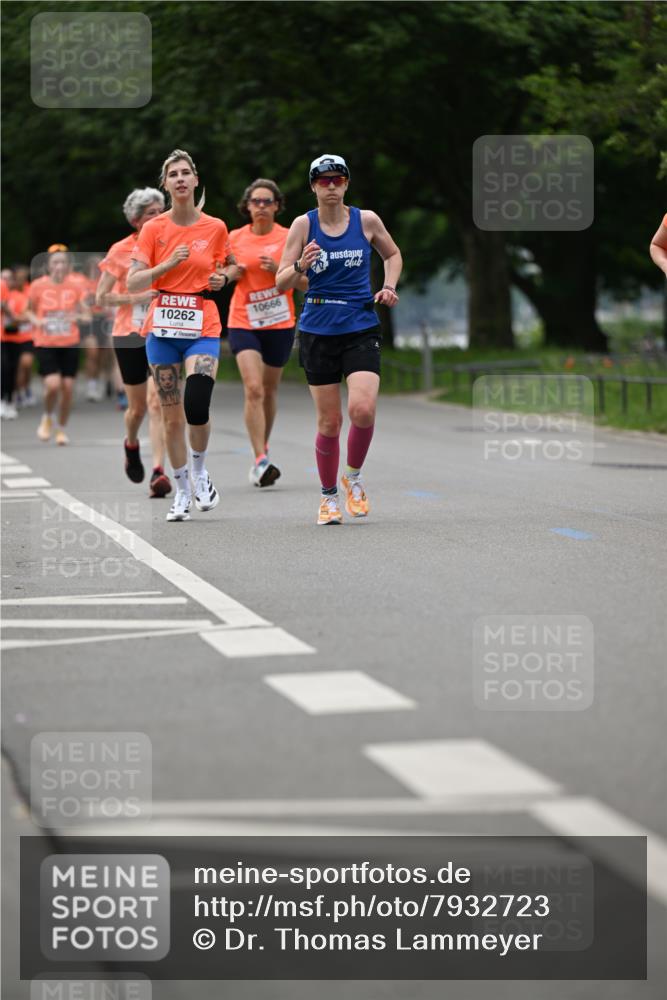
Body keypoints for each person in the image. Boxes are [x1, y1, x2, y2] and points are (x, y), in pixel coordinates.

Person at [276, 154, 402, 524]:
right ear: (313, 186)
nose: (331, 186)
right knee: (329, 422)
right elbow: (281, 280)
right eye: (323, 180)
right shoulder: (303, 225)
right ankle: (328, 496)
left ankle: (354, 477)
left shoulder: (366, 220)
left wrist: (389, 286)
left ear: (347, 184)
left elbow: (392, 254)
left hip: (360, 324)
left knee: (362, 409)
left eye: (337, 180)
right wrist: (301, 265)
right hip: (318, 329)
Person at [127, 149, 235, 522]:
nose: (180, 179)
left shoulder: (215, 227)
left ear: (195, 180)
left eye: (186, 172)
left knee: (197, 402)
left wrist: (223, 278)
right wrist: (167, 264)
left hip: (202, 322)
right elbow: (133, 280)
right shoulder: (154, 230)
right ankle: (182, 490)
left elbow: (228, 268)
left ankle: (201, 471)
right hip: (163, 328)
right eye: (173, 174)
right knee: (171, 416)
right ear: (166, 184)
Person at [226, 179, 308, 486]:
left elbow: (307, 284)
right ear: (247, 206)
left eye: (267, 201)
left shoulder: (289, 237)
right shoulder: (234, 238)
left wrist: (280, 270)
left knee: (270, 390)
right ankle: (260, 459)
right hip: (243, 320)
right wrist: (230, 273)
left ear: (276, 206)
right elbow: (221, 272)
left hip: (279, 322)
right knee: (254, 388)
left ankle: (263, 445)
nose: (261, 206)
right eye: (255, 201)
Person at [97, 187, 172, 498]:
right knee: (138, 408)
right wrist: (136, 297)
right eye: (150, 213)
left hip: (162, 330)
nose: (157, 217)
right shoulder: (120, 250)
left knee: (158, 402)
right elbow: (100, 297)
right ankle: (131, 442)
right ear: (136, 220)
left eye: (160, 211)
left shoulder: (170, 244)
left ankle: (158, 471)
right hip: (129, 334)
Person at [28, 250, 91, 444]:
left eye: (63, 262)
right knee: (53, 385)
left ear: (68, 266)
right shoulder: (38, 286)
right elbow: (28, 312)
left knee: (68, 388)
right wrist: (38, 321)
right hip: (46, 342)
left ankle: (61, 429)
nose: (60, 266)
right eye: (56, 262)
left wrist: (76, 317)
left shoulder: (76, 287)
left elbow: (87, 315)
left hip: (69, 341)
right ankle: (47, 416)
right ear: (48, 265)